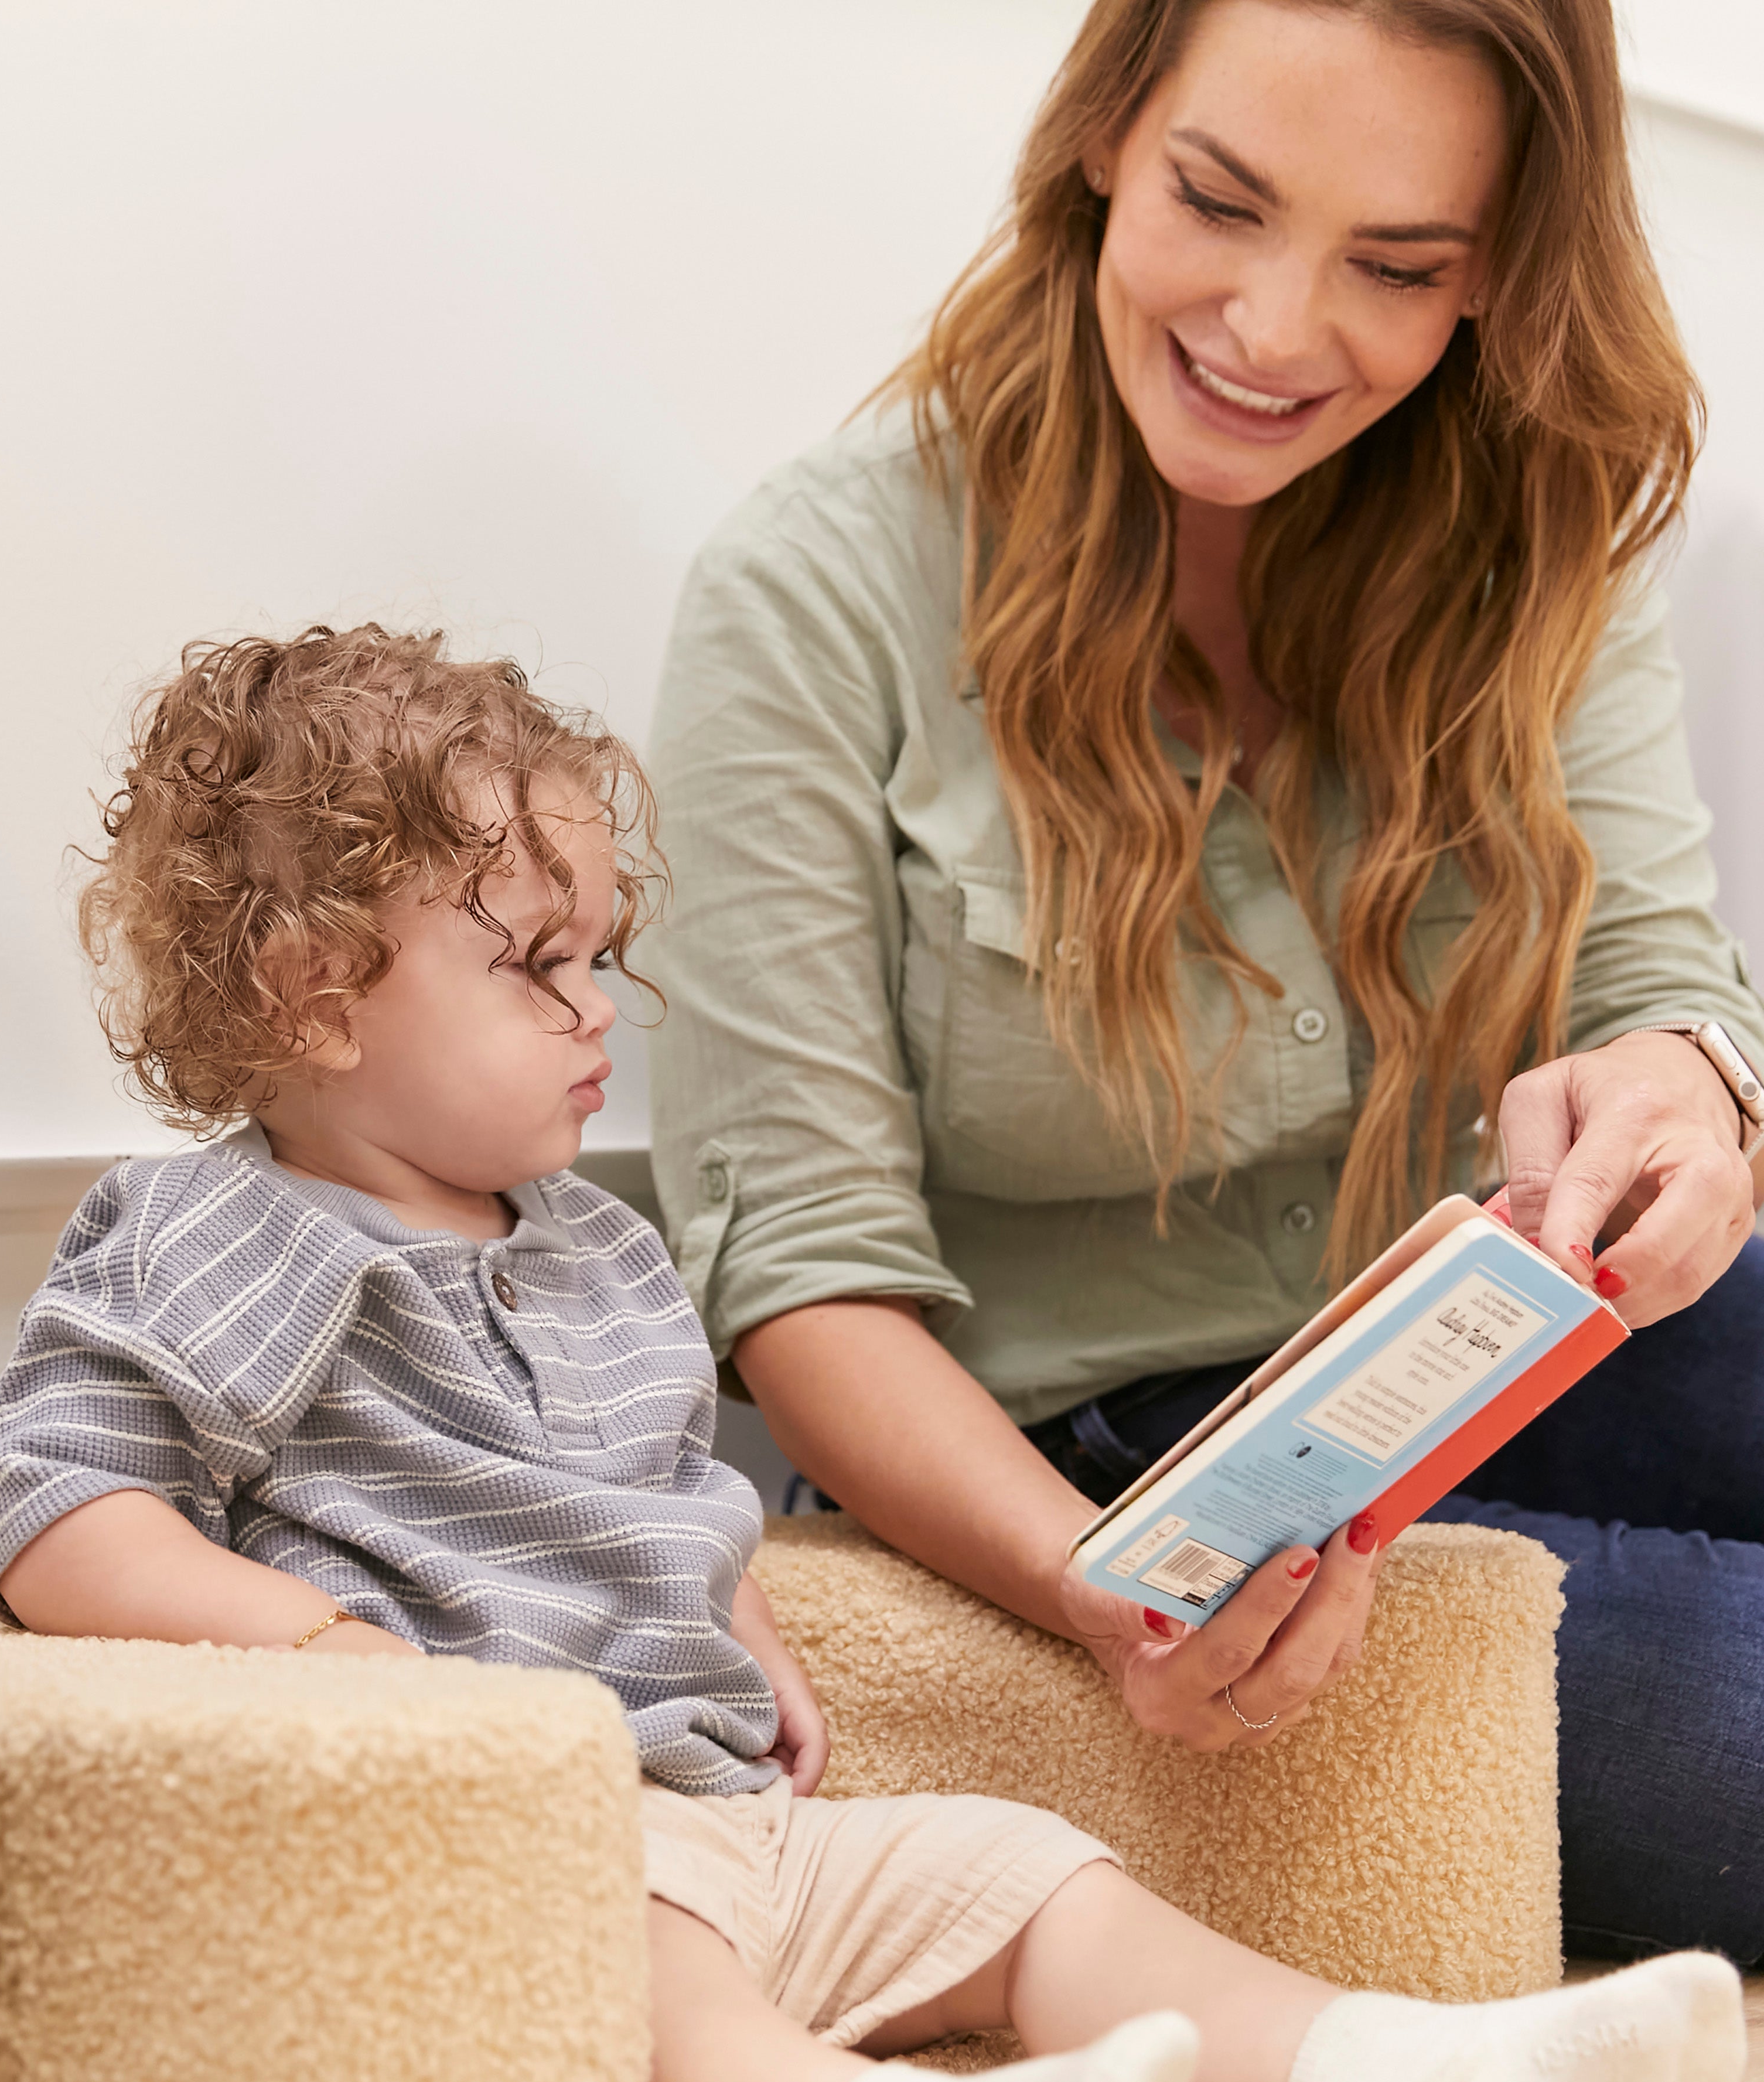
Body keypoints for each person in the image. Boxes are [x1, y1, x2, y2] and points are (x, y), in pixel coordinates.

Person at [0, 624, 1742, 2082]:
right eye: (540, 968)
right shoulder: (218, 1233)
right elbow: (63, 1511)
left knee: (1027, 1875)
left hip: (730, 1816)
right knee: (650, 1986)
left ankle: (1393, 2075)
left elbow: (653, 1482)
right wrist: (310, 1653)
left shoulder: (594, 1246)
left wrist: (734, 1606)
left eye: (605, 954)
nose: (603, 1011)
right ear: (317, 999)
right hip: (501, 1850)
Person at [642, 0, 1764, 1965]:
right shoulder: (815, 595)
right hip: (1096, 1453)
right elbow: (804, 1284)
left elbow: (1668, 981)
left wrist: (1694, 1088)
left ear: (1497, 270)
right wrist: (1095, 1588)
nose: (1268, 328)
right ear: (1102, 138)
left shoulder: (1530, 532)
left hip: (1503, 1335)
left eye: (1397, 267)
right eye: (1219, 202)